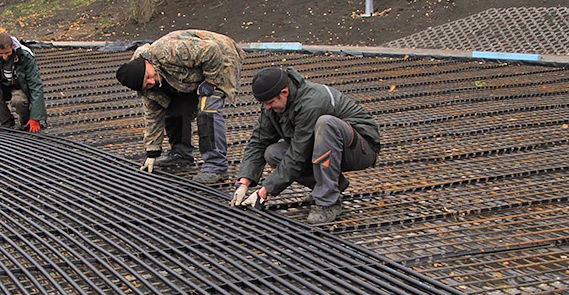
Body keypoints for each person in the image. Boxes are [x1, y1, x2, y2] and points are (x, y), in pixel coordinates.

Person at [231, 66, 380, 225]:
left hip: (361, 148)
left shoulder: (312, 103)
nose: (267, 107)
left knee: (326, 124)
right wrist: (244, 182)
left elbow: (298, 154)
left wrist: (264, 191)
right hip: (330, 148)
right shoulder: (273, 104)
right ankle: (329, 187)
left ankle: (328, 202)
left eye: (270, 102)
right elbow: (259, 141)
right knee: (273, 153)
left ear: (284, 92)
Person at [115, 29, 244, 184]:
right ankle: (181, 154)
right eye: (146, 84)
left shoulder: (167, 51)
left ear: (147, 63)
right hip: (189, 74)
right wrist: (152, 152)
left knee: (208, 110)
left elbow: (211, 50)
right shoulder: (147, 86)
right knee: (175, 110)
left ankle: (216, 167)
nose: (151, 82)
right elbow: (153, 116)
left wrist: (211, 81)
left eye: (149, 77)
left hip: (220, 60)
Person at [0, 32, 46, 132]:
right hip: (3, 87)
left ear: (12, 46)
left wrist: (36, 117)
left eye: (7, 53)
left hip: (20, 88)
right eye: (1, 54)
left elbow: (36, 85)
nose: (4, 57)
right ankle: (6, 122)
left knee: (18, 100)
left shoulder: (25, 57)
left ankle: (26, 123)